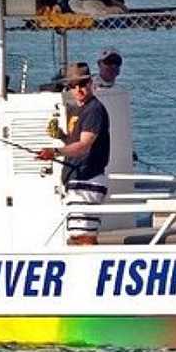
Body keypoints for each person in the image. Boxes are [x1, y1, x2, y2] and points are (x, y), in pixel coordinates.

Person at [37, 62, 111, 245]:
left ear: (90, 83)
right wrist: (61, 136)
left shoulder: (94, 109)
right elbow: (75, 142)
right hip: (76, 177)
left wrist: (54, 152)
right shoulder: (76, 109)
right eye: (73, 85)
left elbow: (84, 145)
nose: (78, 89)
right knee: (76, 236)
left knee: (84, 236)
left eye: (82, 84)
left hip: (89, 176)